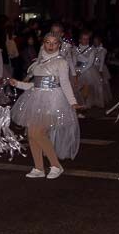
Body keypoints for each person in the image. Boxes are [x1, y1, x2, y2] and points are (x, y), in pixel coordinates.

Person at [10, 33, 81, 179]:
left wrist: (72, 101)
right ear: (43, 43)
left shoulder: (61, 62)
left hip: (53, 101)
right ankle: (38, 168)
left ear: (59, 45)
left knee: (38, 133)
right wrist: (17, 83)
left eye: (54, 43)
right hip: (36, 99)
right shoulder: (39, 62)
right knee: (31, 133)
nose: (51, 46)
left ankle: (56, 165)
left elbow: (65, 84)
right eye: (48, 42)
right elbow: (34, 85)